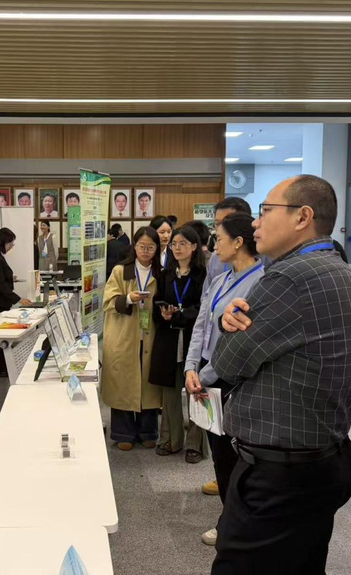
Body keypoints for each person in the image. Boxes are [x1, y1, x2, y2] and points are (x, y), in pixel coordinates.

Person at [212, 175, 351, 574]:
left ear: (303, 217)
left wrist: (226, 329)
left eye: (266, 211)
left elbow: (227, 364)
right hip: (321, 456)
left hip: (280, 474)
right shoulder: (338, 269)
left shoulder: (289, 278)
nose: (255, 222)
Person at [184, 213, 264, 547]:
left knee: (237, 458)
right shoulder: (220, 280)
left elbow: (242, 341)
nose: (213, 244)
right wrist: (191, 366)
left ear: (239, 242)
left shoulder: (261, 282)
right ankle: (229, 517)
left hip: (234, 379)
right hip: (207, 374)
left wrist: (204, 374)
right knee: (220, 454)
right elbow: (201, 325)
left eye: (219, 238)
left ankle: (234, 523)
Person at [102, 227, 163, 450]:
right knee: (123, 382)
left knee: (148, 383)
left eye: (150, 247)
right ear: (134, 246)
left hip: (150, 335)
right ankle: (123, 433)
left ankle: (148, 431)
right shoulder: (120, 271)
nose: (145, 251)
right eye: (141, 246)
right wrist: (128, 298)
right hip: (124, 335)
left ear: (157, 249)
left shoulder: (160, 272)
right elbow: (108, 302)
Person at [150, 226, 207, 457]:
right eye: (174, 243)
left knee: (196, 390)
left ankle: (195, 444)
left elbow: (204, 309)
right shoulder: (166, 275)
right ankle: (170, 440)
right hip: (169, 339)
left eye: (182, 243)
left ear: (194, 246)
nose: (177, 247)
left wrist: (180, 315)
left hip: (193, 338)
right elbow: (156, 305)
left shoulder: (203, 275)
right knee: (170, 392)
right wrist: (163, 313)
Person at [0, 228, 32, 377]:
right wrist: (18, 299)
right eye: (10, 244)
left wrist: (10, 278)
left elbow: (0, 277)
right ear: (3, 242)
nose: (11, 247)